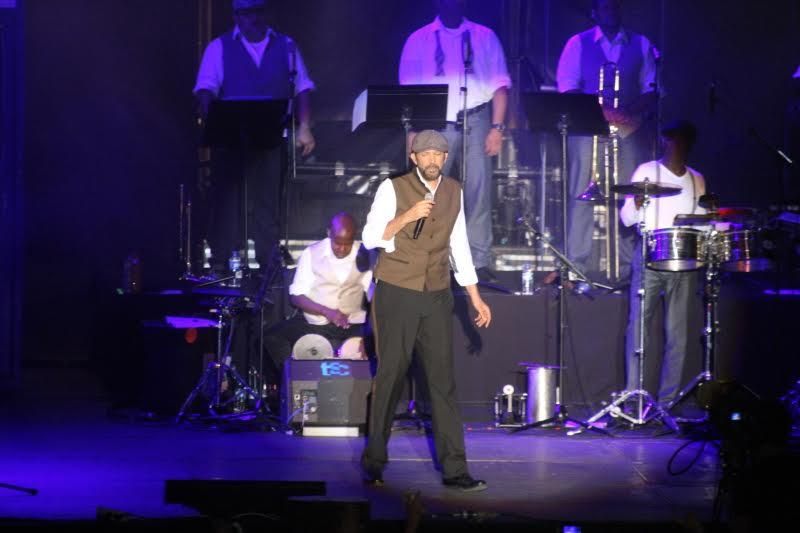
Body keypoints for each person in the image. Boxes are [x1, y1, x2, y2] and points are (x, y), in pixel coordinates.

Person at [360, 129, 492, 492]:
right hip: (397, 292)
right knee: (391, 376)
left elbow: (459, 246)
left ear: (445, 158)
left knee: (442, 382)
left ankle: (455, 471)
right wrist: (407, 216)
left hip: (436, 294)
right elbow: (371, 238)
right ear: (414, 158)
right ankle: (373, 462)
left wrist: (474, 297)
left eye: (439, 154)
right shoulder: (394, 188)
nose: (433, 160)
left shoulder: (454, 191)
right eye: (426, 154)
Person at [193, 0, 315, 266]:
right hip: (231, 139)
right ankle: (220, 261)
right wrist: (211, 117)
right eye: (247, 13)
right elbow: (206, 88)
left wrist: (305, 128)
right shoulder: (219, 47)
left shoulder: (287, 46)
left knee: (267, 202)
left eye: (259, 11)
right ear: (236, 16)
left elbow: (302, 88)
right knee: (227, 203)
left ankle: (266, 264)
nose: (254, 19)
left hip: (270, 138)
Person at [398, 0, 512, 283]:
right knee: (428, 193)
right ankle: (422, 258)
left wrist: (497, 128)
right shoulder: (419, 39)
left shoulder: (484, 36)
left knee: (477, 191)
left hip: (476, 117)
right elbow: (407, 90)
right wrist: (411, 133)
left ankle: (478, 260)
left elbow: (500, 85)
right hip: (433, 121)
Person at [555, 0, 658, 282]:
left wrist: (627, 112)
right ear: (594, 12)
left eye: (615, 6)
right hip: (588, 129)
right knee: (581, 194)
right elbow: (567, 87)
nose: (611, 10)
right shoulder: (577, 43)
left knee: (629, 195)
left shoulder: (642, 43)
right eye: (605, 6)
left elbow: (652, 87)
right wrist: (602, 111)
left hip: (628, 130)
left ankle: (626, 269)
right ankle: (577, 266)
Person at [619, 119, 705, 407]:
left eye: (683, 141)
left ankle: (667, 403)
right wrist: (639, 203)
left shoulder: (697, 179)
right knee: (638, 328)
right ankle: (633, 397)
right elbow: (627, 218)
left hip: (683, 262)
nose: (676, 147)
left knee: (677, 333)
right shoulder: (647, 171)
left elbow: (704, 225)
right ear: (665, 142)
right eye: (672, 140)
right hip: (649, 256)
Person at [264, 213, 373, 372]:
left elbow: (374, 296)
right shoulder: (312, 252)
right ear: (329, 233)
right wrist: (327, 312)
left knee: (383, 340)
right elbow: (296, 296)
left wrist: (371, 334)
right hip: (316, 324)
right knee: (272, 337)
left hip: (353, 324)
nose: (342, 249)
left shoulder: (364, 255)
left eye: (347, 244)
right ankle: (294, 378)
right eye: (337, 243)